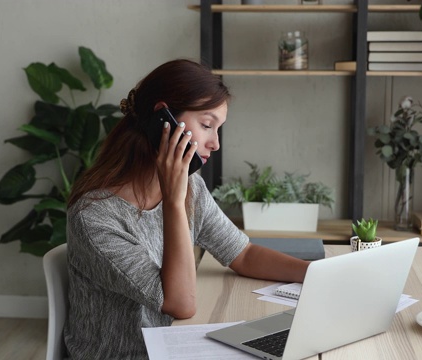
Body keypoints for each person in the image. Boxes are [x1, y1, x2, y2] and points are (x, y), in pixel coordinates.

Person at [65, 59, 309, 359]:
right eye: (207, 125)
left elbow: (242, 254)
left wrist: (315, 275)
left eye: (218, 129)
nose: (215, 143)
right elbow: (180, 303)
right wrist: (173, 200)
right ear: (163, 119)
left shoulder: (191, 186)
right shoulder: (95, 217)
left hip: (172, 342)